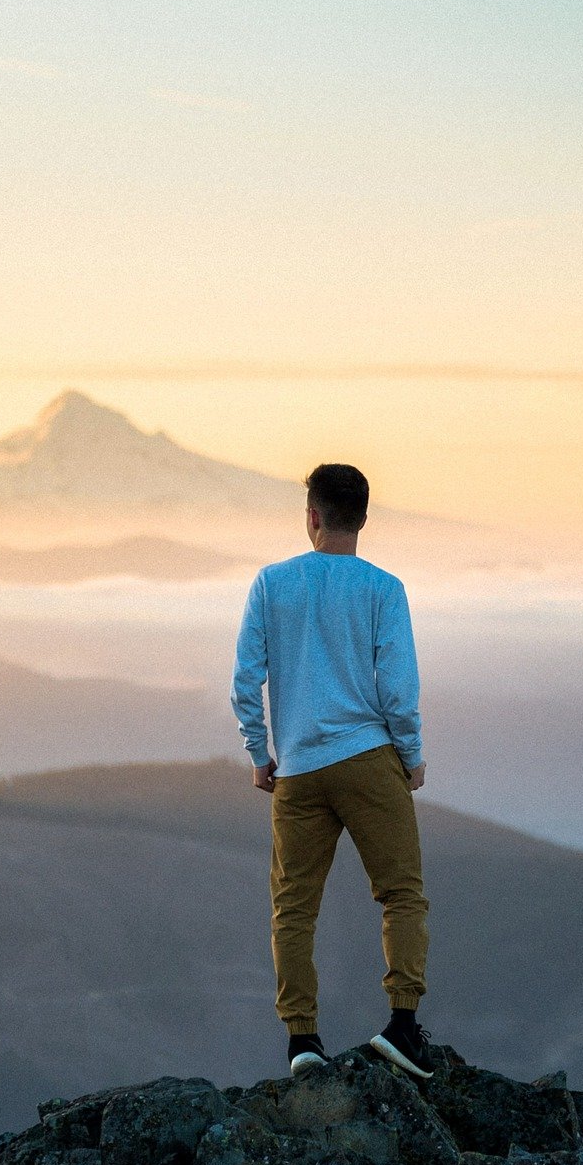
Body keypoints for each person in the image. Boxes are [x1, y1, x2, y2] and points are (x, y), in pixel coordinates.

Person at [229, 462, 434, 1078]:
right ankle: (401, 1024)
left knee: (294, 908)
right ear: (363, 518)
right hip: (369, 759)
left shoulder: (272, 583)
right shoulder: (382, 588)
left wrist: (260, 754)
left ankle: (302, 1041)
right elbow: (398, 690)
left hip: (297, 768)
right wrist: (412, 756)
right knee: (401, 894)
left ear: (311, 515)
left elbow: (245, 681)